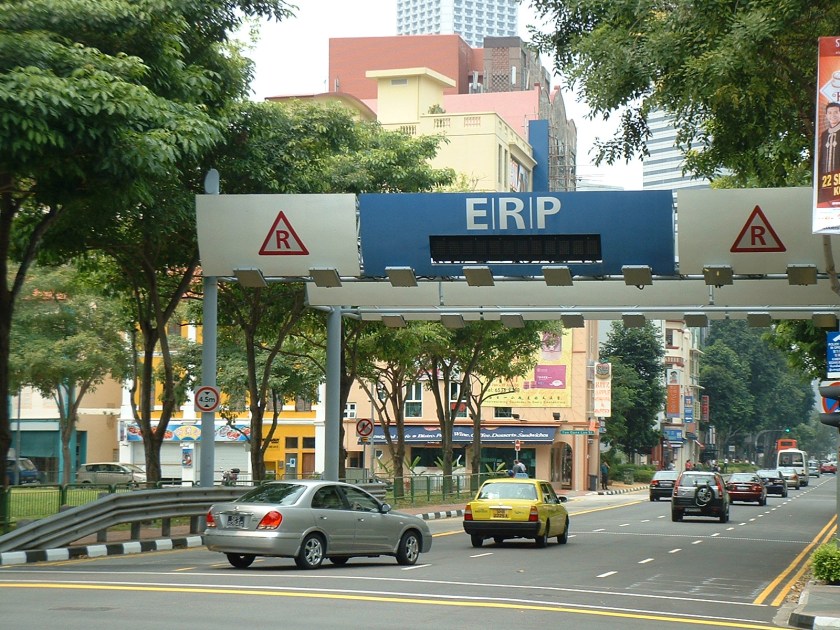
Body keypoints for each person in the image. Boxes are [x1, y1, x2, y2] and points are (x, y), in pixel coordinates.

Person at [819, 101, 840, 177]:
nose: (832, 115)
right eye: (830, 113)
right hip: (826, 178)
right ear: (826, 115)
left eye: (836, 112)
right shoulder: (824, 134)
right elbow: (822, 156)